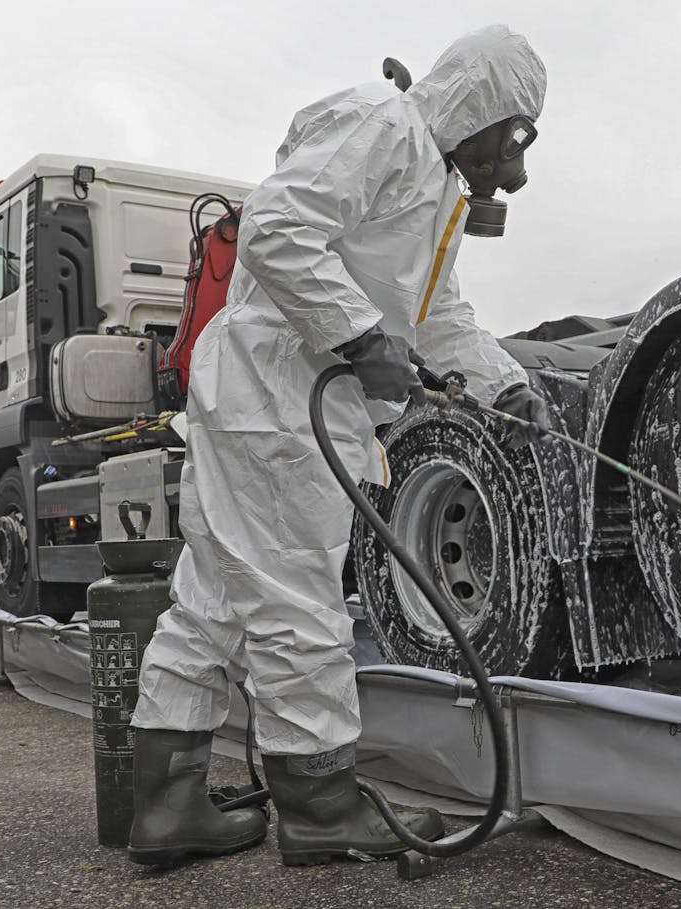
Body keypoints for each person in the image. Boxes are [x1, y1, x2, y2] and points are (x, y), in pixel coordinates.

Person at [125, 24, 550, 868]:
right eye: (514, 137)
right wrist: (359, 339)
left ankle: (165, 805)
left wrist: (505, 385)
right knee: (298, 598)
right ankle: (319, 803)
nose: (516, 163)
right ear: (486, 108)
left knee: (212, 599)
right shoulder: (386, 128)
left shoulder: (436, 190)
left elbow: (435, 316)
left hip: (261, 399)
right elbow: (277, 228)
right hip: (279, 397)